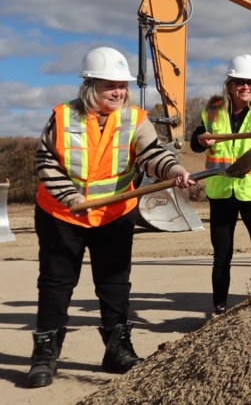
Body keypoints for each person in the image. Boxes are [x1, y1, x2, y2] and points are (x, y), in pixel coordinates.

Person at [28, 47, 194, 388]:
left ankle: (117, 350)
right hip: (62, 214)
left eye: (122, 85)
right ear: (90, 86)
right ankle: (45, 354)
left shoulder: (134, 118)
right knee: (57, 285)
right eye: (110, 86)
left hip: (114, 215)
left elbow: (151, 153)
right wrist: (72, 198)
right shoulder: (62, 117)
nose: (118, 92)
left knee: (115, 283)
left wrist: (174, 169)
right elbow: (46, 162)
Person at [190, 55, 251, 316]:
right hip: (222, 190)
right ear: (230, 83)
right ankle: (219, 306)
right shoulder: (213, 108)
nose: (245, 87)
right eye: (240, 82)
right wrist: (201, 140)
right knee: (222, 255)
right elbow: (196, 140)